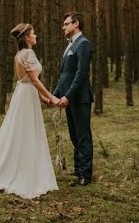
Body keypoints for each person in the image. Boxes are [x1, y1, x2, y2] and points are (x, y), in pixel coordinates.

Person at [0, 23, 59, 199]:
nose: (36, 36)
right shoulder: (28, 53)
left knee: (23, 131)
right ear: (26, 38)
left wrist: (42, 98)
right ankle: (25, 172)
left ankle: (23, 165)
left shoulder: (19, 55)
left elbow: (27, 81)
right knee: (27, 132)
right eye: (33, 33)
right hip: (26, 96)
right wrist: (52, 97)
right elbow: (34, 80)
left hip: (24, 95)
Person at [53, 11, 93, 186]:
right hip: (69, 98)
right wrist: (54, 95)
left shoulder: (83, 44)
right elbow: (65, 75)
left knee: (83, 136)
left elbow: (81, 74)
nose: (64, 27)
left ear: (76, 24)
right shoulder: (70, 45)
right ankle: (78, 170)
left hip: (80, 98)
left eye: (66, 24)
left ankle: (85, 175)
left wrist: (68, 96)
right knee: (74, 136)